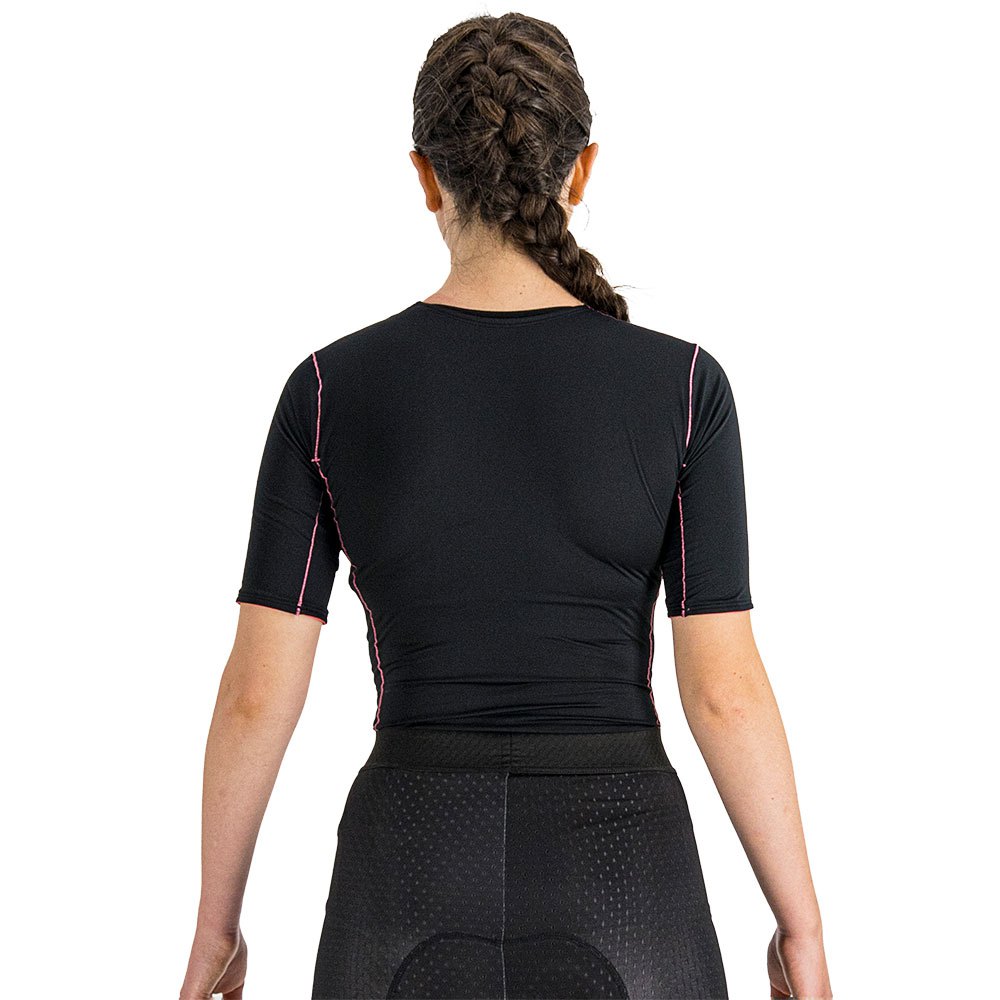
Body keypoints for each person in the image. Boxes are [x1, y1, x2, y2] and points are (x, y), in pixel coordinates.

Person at [179, 12, 832, 1000]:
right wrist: (801, 928)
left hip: (404, 865)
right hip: (627, 877)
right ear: (581, 170)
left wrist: (215, 929)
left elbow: (257, 695)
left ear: (424, 177)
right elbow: (723, 693)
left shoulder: (325, 391)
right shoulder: (685, 387)